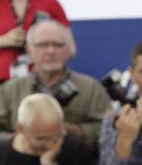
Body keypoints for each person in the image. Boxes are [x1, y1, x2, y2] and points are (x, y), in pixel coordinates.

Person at [0, 20, 110, 148]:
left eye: (57, 45)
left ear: (68, 49)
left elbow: (108, 131)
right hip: (19, 164)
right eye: (43, 45)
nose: (51, 51)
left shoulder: (91, 88)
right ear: (29, 50)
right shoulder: (9, 90)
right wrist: (22, 138)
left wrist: (73, 130)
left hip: (73, 164)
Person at [0, 0, 73, 81]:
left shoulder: (49, 2)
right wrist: (4, 40)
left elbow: (70, 47)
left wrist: (42, 44)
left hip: (43, 81)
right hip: (3, 83)